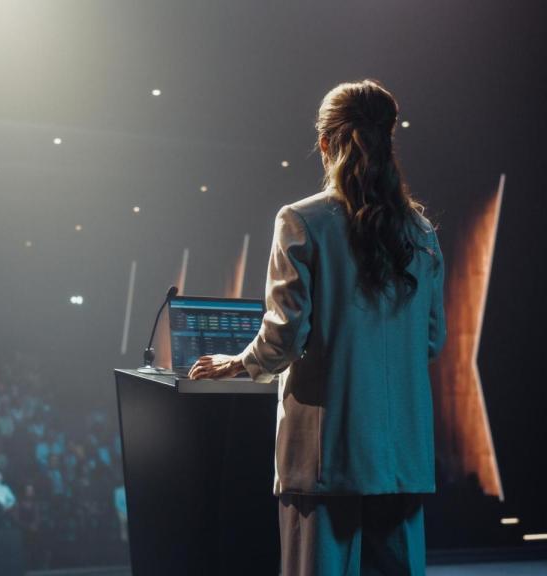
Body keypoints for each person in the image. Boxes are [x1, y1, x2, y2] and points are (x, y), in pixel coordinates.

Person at [190, 79, 446, 576]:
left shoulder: (301, 221)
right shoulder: (422, 233)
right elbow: (431, 341)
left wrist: (237, 363)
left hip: (328, 458)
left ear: (326, 142)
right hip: (403, 461)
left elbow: (283, 339)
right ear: (387, 140)